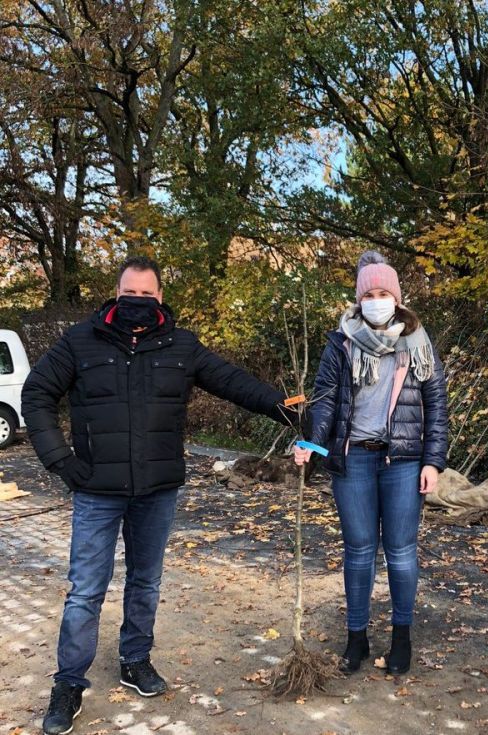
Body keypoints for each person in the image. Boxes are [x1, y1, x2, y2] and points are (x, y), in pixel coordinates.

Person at [23, 255, 302, 735]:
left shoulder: (181, 345)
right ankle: (69, 683)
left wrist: (289, 409)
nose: (138, 302)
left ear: (160, 298)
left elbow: (234, 382)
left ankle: (135, 659)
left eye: (147, 295)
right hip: (96, 490)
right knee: (85, 590)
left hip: (157, 490)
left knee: (145, 582)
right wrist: (61, 461)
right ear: (117, 294)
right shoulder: (80, 341)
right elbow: (36, 396)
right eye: (130, 294)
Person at [294, 251, 448, 675]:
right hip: (354, 460)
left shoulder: (418, 343)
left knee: (400, 553)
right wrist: (311, 439)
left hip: (403, 461)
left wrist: (433, 461)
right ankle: (356, 639)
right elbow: (325, 399)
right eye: (370, 293)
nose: (377, 300)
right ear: (359, 299)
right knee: (359, 552)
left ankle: (401, 640)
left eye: (385, 293)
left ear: (396, 298)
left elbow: (436, 406)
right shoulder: (340, 342)